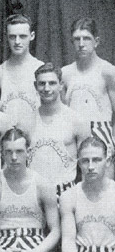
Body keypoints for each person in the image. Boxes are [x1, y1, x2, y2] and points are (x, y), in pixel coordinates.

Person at [50, 137, 115, 252]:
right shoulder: (70, 196)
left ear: (108, 161)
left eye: (97, 160)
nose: (91, 166)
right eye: (86, 161)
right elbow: (68, 239)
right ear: (79, 163)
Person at [62, 17, 115, 178]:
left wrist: (113, 141)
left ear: (96, 41)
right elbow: (63, 112)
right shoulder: (65, 73)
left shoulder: (107, 71)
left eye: (86, 38)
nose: (81, 43)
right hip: (74, 134)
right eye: (77, 39)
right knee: (77, 188)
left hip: (102, 131)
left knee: (105, 190)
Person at [29, 63, 90, 195]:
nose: (46, 88)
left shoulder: (77, 121)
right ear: (35, 86)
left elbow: (86, 166)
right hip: (33, 194)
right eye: (42, 83)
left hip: (65, 193)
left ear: (61, 85)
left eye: (52, 83)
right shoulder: (25, 122)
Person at [0, 14, 44, 134]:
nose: (17, 42)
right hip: (8, 144)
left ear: (32, 36)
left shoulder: (42, 71)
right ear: (6, 37)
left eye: (22, 36)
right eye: (12, 37)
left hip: (37, 139)